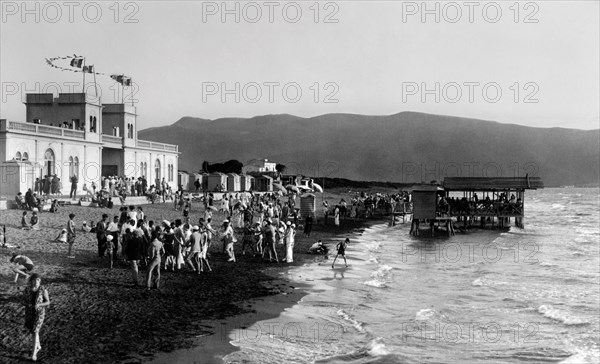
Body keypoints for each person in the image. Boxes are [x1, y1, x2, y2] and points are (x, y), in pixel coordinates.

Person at [22, 273, 50, 361]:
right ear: (31, 281)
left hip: (39, 314)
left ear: (40, 281)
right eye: (35, 280)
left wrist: (39, 304)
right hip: (30, 313)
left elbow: (48, 302)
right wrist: (28, 304)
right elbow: (23, 301)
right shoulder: (27, 290)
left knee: (35, 331)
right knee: (33, 330)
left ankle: (34, 354)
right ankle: (38, 345)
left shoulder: (43, 290)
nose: (36, 282)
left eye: (38, 280)